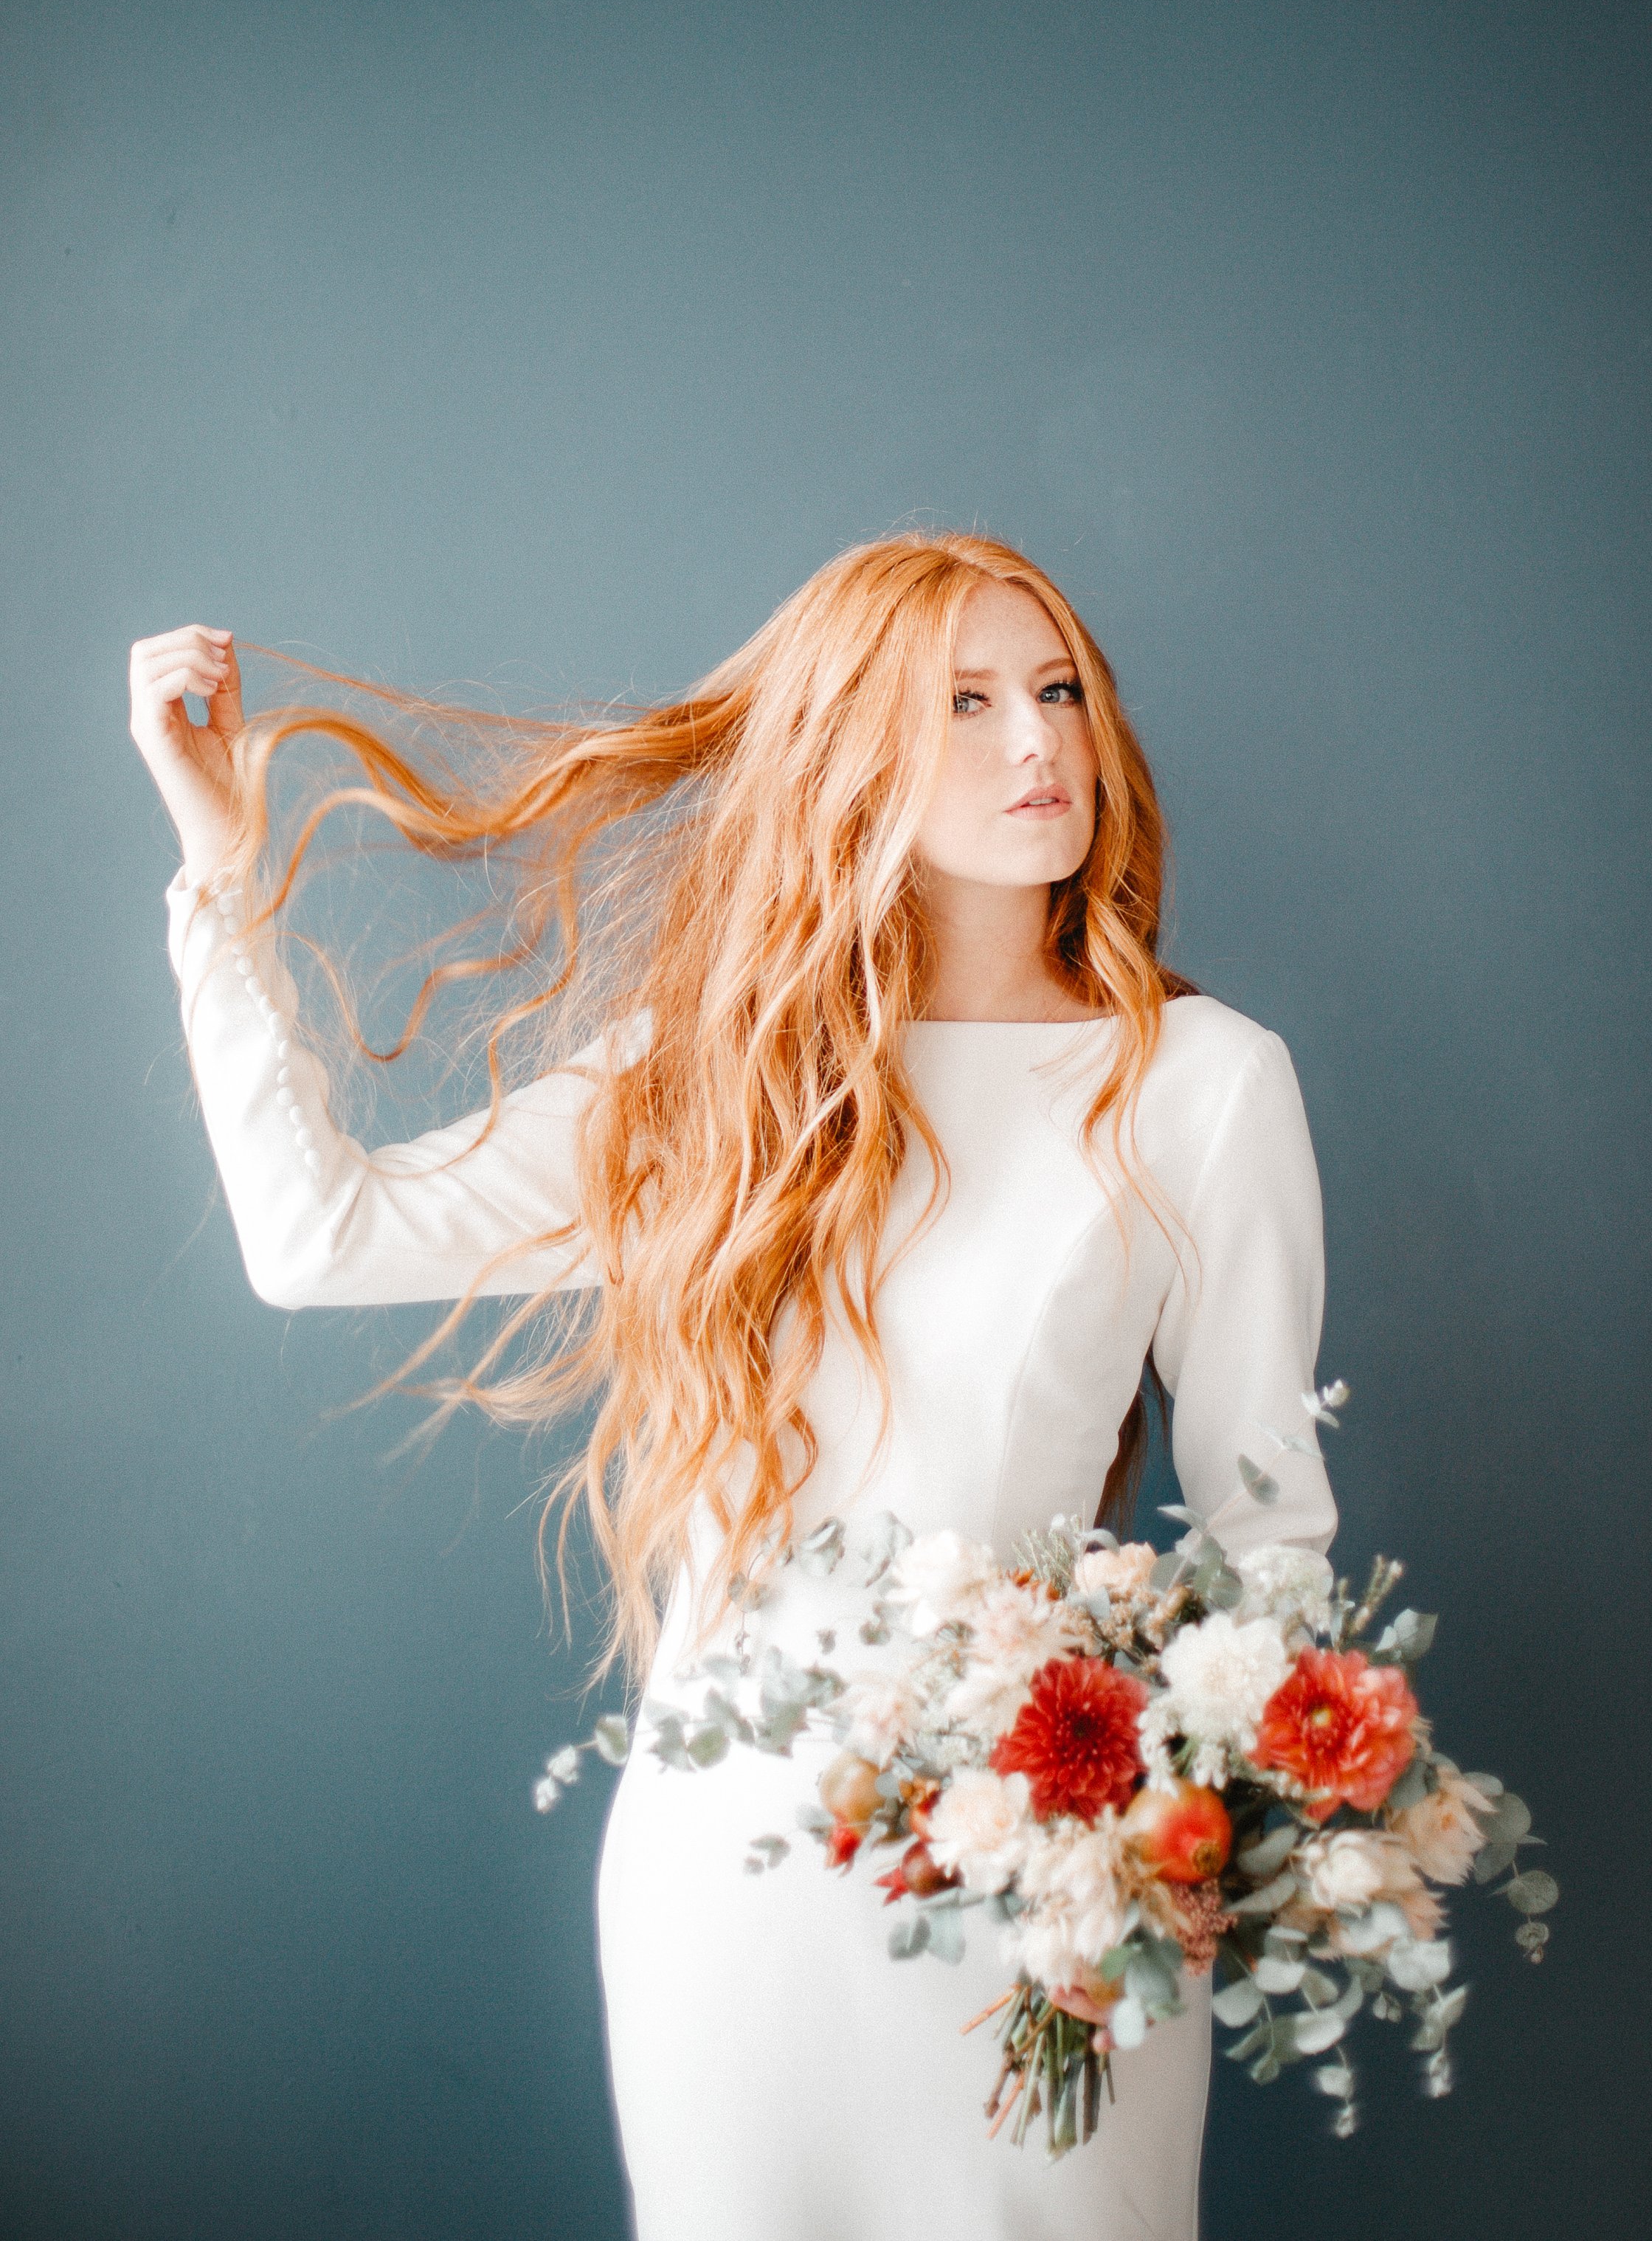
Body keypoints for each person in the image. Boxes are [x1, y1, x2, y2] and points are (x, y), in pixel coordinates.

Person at [129, 532, 1336, 2241]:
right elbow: (318, 1238)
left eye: (1055, 689)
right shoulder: (711, 1088)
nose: (1035, 744)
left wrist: (1203, 1833)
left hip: (1052, 1879)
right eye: (964, 704)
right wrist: (217, 875)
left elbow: (1269, 1527)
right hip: (738, 1875)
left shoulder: (1198, 1085)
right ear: (849, 756)